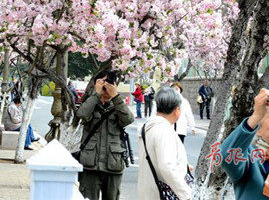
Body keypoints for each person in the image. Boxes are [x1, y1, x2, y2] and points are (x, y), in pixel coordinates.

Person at [76, 71, 134, 200]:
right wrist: (96, 94)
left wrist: (115, 96)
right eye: (103, 82)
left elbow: (128, 119)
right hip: (90, 165)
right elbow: (82, 115)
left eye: (109, 82)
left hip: (113, 164)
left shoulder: (118, 105)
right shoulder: (91, 103)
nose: (106, 86)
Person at [137, 86, 192, 200]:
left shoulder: (148, 127)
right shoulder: (164, 131)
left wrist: (182, 165)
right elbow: (167, 166)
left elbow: (155, 156)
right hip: (160, 194)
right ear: (177, 110)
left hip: (148, 190)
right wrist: (186, 194)